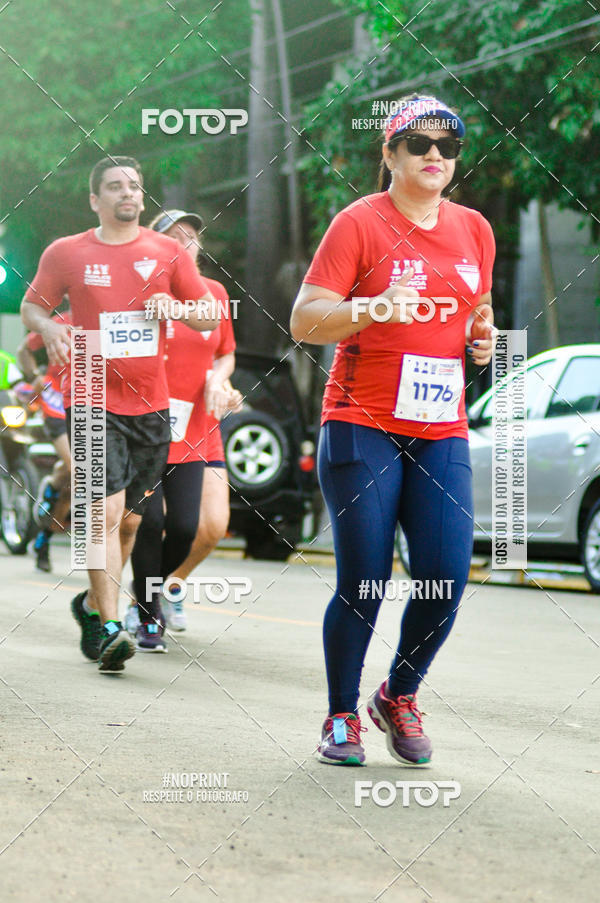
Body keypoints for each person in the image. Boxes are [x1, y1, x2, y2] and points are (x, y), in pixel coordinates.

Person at [290, 94, 496, 766]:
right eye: (419, 143)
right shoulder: (359, 222)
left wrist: (482, 339)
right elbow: (304, 319)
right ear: (390, 153)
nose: (436, 155)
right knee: (366, 580)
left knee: (445, 576)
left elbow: (478, 309)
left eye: (448, 145)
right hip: (363, 421)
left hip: (441, 426)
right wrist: (372, 307)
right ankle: (340, 716)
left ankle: (398, 694)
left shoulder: (475, 229)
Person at [21, 157, 218, 673]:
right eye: (114, 186)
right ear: (95, 199)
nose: (126, 192)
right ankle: (112, 628)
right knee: (103, 514)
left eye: (133, 185)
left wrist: (176, 309)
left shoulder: (168, 252)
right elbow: (32, 307)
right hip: (90, 395)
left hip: (151, 405)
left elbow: (208, 315)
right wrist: (51, 327)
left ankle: (91, 606)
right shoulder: (66, 252)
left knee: (130, 523)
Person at [127, 209, 241, 650]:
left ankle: (156, 591)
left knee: (188, 528)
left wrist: (219, 381)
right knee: (149, 521)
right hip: (144, 426)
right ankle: (147, 613)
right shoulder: (139, 292)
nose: (185, 243)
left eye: (191, 236)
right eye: (174, 236)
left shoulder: (214, 294)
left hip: (193, 426)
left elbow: (225, 353)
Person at [17, 306, 73, 572]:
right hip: (57, 403)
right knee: (78, 468)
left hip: (92, 405)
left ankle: (44, 536)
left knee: (71, 484)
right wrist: (35, 377)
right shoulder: (61, 322)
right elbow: (23, 351)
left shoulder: (112, 323)